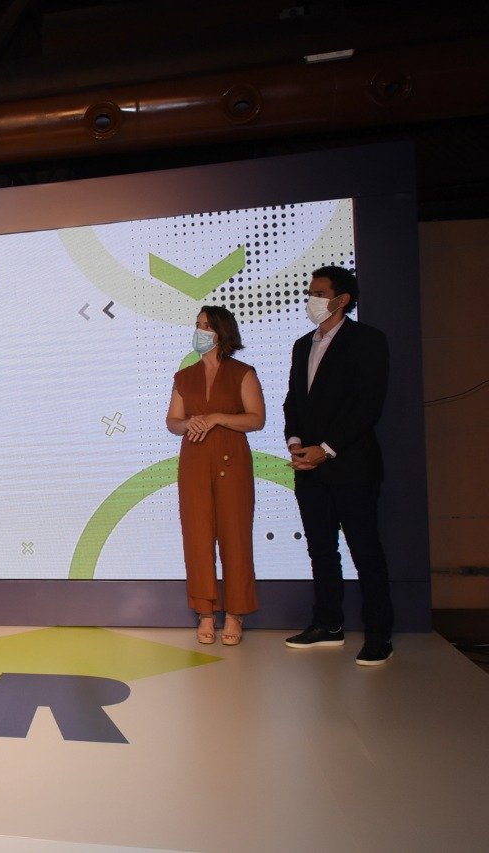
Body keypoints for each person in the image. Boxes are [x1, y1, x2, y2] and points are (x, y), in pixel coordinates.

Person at [283, 266, 395, 666]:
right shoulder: (302, 345)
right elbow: (293, 401)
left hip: (352, 467)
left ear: (342, 299)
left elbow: (368, 405)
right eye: (310, 292)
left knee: (365, 551)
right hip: (309, 469)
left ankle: (379, 635)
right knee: (321, 550)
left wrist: (326, 449)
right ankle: (328, 624)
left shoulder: (367, 340)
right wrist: (296, 443)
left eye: (319, 293)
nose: (311, 299)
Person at [166, 306, 265, 646]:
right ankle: (205, 612)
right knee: (197, 536)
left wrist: (219, 417)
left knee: (235, 535)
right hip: (194, 461)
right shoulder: (184, 376)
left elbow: (256, 419)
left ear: (222, 332)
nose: (200, 331)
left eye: (206, 325)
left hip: (232, 460)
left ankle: (235, 613)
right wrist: (187, 423)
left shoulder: (242, 373)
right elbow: (172, 422)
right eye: (197, 325)